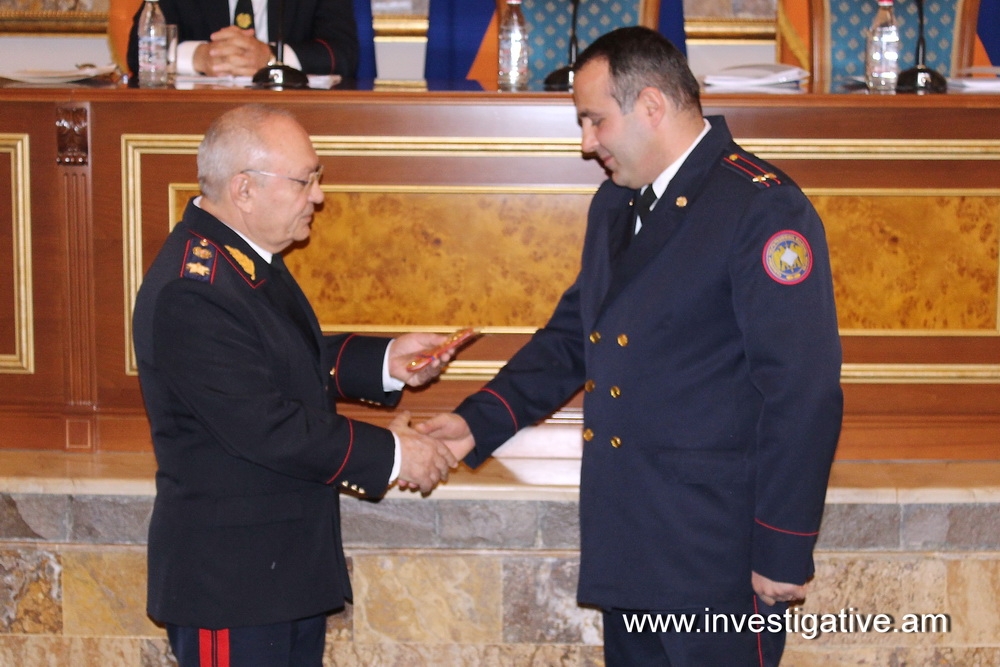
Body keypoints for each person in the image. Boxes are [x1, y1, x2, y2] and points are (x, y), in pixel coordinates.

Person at [420, 26, 843, 667]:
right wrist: (474, 423)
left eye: (595, 120)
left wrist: (783, 548)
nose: (587, 144)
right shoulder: (617, 205)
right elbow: (574, 337)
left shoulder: (760, 208)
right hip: (632, 545)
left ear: (650, 105)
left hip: (717, 558)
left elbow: (802, 390)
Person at [132, 104, 457, 666]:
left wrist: (384, 362)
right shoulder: (193, 289)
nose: (319, 196)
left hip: (279, 575)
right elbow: (265, 426)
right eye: (304, 180)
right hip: (232, 588)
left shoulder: (239, 258)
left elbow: (279, 357)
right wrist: (395, 454)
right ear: (245, 189)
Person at [126, 0, 359, 78]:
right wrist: (200, 57)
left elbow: (343, 55)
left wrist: (271, 59)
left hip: (295, 116)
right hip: (199, 118)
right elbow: (138, 51)